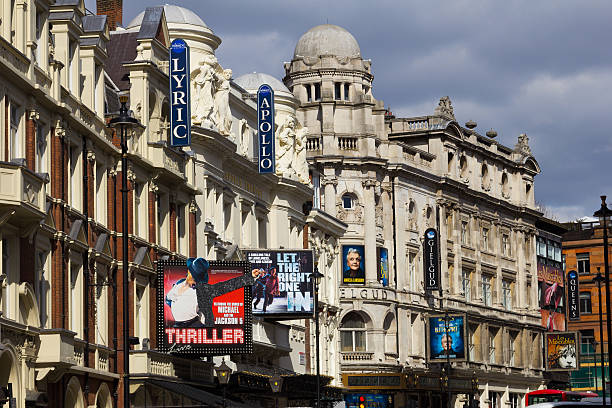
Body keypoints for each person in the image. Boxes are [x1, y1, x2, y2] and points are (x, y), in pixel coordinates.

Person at [166, 257, 256, 328]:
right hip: (177, 326)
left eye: (197, 279)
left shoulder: (203, 290)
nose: (195, 281)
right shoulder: (178, 284)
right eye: (194, 277)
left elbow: (226, 286)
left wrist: (249, 277)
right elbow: (169, 299)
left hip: (194, 327)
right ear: (189, 272)